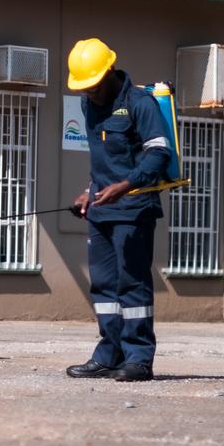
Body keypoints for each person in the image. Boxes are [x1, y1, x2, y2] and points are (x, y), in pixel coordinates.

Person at [61, 38, 171, 382]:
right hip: (100, 211)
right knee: (105, 287)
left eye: (93, 86)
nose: (89, 94)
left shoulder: (141, 103)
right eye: (84, 89)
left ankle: (139, 358)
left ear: (108, 72)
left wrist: (124, 186)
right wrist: (87, 192)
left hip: (134, 208)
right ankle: (109, 353)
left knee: (132, 286)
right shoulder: (89, 107)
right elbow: (102, 163)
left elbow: (159, 153)